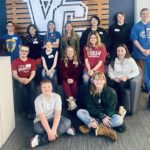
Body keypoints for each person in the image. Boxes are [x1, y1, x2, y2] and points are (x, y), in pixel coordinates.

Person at [77, 72, 124, 141]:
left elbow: (111, 109)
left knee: (119, 120)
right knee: (80, 112)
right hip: (94, 114)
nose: (99, 82)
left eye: (101, 79)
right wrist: (101, 116)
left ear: (104, 81)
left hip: (107, 116)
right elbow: (90, 107)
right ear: (92, 81)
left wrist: (105, 116)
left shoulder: (111, 92)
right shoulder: (89, 91)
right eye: (96, 79)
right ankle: (105, 130)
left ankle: (92, 125)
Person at [30, 79, 75, 148]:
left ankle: (40, 140)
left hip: (55, 118)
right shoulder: (38, 100)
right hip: (41, 121)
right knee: (37, 129)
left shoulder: (57, 97)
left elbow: (57, 114)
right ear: (41, 88)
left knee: (67, 122)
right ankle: (64, 130)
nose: (46, 89)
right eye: (44, 87)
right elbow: (42, 117)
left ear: (52, 87)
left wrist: (53, 130)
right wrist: (49, 131)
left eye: (49, 86)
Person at [108, 44, 140, 109]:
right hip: (115, 79)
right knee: (109, 84)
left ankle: (121, 106)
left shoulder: (130, 60)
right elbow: (110, 72)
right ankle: (109, 105)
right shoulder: (114, 60)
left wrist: (127, 77)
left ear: (126, 51)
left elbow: (137, 71)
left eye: (122, 51)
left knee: (121, 84)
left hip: (126, 80)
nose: (120, 53)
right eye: (118, 51)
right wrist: (114, 78)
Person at [12, 45, 36, 118]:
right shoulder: (15, 61)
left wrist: (28, 80)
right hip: (18, 79)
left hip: (29, 78)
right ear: (19, 51)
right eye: (22, 50)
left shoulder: (31, 61)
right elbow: (14, 74)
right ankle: (20, 110)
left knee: (32, 86)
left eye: (26, 51)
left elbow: (33, 73)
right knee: (20, 87)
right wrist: (20, 79)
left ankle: (32, 111)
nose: (24, 52)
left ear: (28, 52)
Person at [60, 46, 83, 110]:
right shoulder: (62, 60)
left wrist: (72, 79)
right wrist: (67, 78)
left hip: (75, 78)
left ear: (74, 52)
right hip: (65, 78)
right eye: (68, 51)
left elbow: (78, 72)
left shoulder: (78, 60)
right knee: (65, 83)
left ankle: (71, 102)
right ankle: (71, 101)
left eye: (71, 51)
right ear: (66, 52)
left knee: (74, 84)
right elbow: (63, 72)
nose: (70, 52)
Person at [130, 8, 150, 73]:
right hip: (139, 53)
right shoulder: (136, 26)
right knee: (142, 73)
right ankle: (143, 83)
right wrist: (143, 50)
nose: (145, 15)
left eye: (147, 13)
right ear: (140, 15)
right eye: (143, 14)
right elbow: (134, 39)